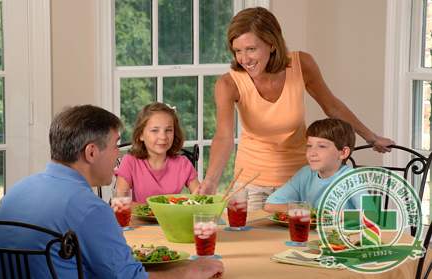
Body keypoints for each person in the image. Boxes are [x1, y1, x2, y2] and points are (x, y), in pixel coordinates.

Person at [0, 105, 224, 279]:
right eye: (115, 145)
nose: (119, 154)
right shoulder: (92, 209)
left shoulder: (16, 191)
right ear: (91, 153)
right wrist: (191, 271)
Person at [194, 6, 395, 211]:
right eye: (238, 50)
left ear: (272, 44)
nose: (244, 59)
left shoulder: (301, 64)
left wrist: (372, 138)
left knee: (297, 241)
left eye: (251, 49)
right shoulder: (229, 84)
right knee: (251, 241)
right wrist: (211, 180)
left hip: (297, 183)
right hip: (250, 184)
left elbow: (333, 107)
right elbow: (224, 137)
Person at [264, 118, 361, 213]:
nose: (312, 153)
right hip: (311, 229)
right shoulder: (304, 174)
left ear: (343, 153)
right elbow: (270, 205)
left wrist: (332, 215)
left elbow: (370, 214)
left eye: (321, 146)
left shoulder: (350, 178)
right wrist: (311, 212)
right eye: (309, 146)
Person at [115, 102, 200, 203]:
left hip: (171, 218)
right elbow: (119, 201)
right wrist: (155, 210)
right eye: (155, 130)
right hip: (138, 219)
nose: (163, 137)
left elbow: (200, 199)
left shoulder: (183, 164)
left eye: (168, 130)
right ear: (141, 134)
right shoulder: (130, 162)